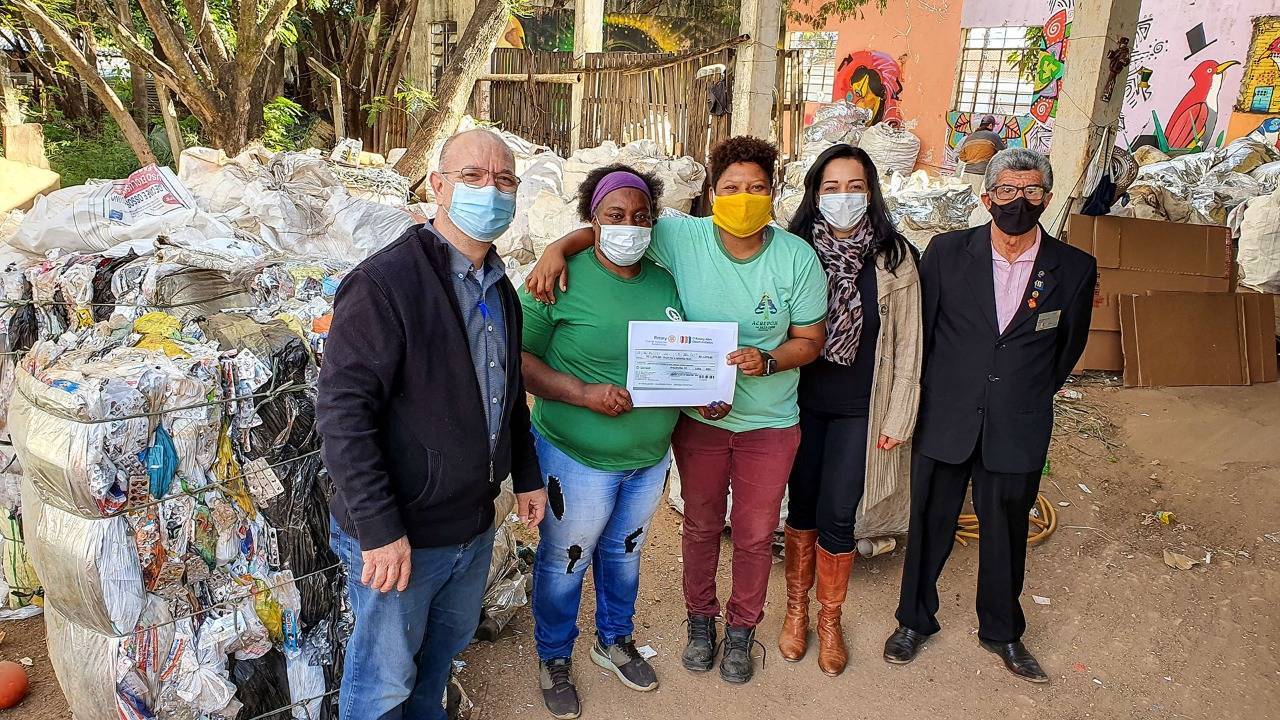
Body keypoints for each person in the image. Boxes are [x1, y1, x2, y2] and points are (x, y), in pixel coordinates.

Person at [527, 136, 829, 685]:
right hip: (650, 438)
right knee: (674, 532)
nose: (743, 197)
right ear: (711, 193)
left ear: (773, 191)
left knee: (743, 536)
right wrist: (556, 248)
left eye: (756, 188)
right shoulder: (671, 243)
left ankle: (722, 633)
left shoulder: (782, 259)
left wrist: (764, 361)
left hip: (742, 427)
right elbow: (609, 218)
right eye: (731, 187)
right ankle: (679, 629)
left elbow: (808, 338)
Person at [317, 129, 548, 720]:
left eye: (504, 181)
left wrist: (526, 475)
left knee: (439, 662)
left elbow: (505, 395)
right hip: (404, 536)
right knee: (380, 687)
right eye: (473, 178)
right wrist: (378, 526)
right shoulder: (385, 284)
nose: (490, 192)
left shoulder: (500, 289)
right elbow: (344, 415)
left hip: (470, 528)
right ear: (437, 187)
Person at [883, 148, 1096, 683]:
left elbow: (1066, 350)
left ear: (1046, 198)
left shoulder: (1073, 268)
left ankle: (1002, 631)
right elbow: (923, 336)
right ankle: (914, 621)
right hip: (947, 417)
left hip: (1017, 421)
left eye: (1030, 192)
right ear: (987, 197)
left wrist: (1020, 395)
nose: (1018, 202)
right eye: (1006, 191)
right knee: (930, 523)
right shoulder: (946, 253)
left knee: (1006, 531)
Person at [519, 165, 683, 719]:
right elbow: (517, 359)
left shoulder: (665, 281)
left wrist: (704, 390)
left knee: (625, 553)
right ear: (594, 218)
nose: (628, 227)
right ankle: (554, 656)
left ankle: (614, 639)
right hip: (576, 457)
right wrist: (582, 393)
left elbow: (680, 359)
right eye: (615, 216)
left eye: (640, 217)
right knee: (567, 558)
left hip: (647, 458)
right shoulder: (558, 279)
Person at [780, 144, 922, 677]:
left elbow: (910, 342)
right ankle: (796, 612)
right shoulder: (793, 249)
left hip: (861, 406)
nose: (843, 198)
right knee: (802, 507)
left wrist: (899, 415)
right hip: (797, 405)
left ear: (872, 192)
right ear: (816, 194)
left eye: (855, 187)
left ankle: (830, 618)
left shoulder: (895, 257)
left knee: (840, 512)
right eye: (831, 187)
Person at [957, 115, 1006, 195]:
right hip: (981, 175)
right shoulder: (994, 136)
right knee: (980, 201)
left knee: (967, 201)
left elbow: (962, 157)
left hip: (966, 174)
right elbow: (1003, 153)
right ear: (990, 125)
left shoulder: (969, 137)